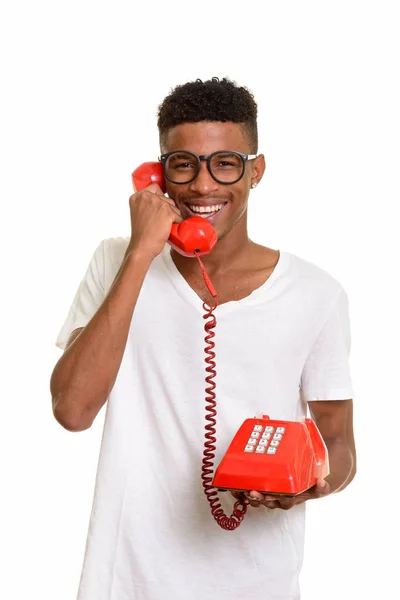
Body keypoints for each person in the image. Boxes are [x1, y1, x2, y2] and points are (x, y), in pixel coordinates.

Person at [50, 77, 356, 600]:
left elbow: (340, 442)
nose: (203, 185)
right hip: (127, 579)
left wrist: (312, 481)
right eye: (183, 163)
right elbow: (72, 410)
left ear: (256, 171)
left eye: (226, 163)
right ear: (159, 174)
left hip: (259, 581)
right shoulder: (115, 261)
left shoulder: (316, 292)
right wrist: (141, 254)